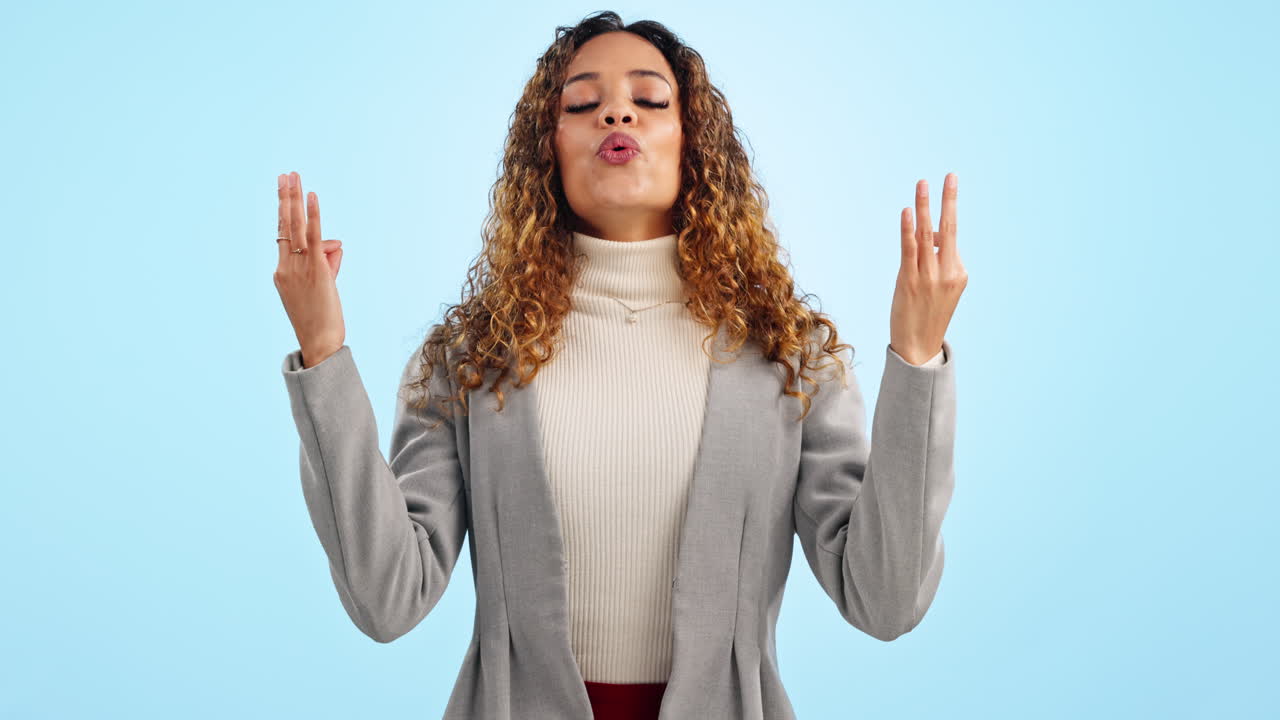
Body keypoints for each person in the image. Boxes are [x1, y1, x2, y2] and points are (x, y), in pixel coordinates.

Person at [273, 10, 965, 720]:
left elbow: (885, 600)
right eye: (581, 102)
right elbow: (388, 597)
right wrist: (323, 352)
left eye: (650, 98)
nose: (616, 110)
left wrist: (915, 362)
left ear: (694, 144)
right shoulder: (470, 361)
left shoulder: (789, 357)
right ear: (549, 149)